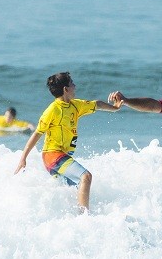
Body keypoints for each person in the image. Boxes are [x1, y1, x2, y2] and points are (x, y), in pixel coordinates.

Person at [14, 72, 122, 212]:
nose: (75, 86)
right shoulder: (52, 110)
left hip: (61, 157)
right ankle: (84, 217)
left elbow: (97, 104)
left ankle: (70, 218)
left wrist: (115, 108)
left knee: (77, 188)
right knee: (86, 176)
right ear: (66, 89)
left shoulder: (75, 106)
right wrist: (23, 158)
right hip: (52, 156)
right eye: (72, 83)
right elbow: (37, 134)